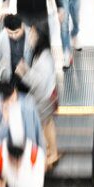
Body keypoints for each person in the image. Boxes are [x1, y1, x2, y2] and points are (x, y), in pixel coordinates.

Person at [15, 24, 61, 167]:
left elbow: (37, 82)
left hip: (44, 97)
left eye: (33, 35)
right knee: (46, 124)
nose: (30, 37)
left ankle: (53, 153)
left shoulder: (44, 58)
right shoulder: (41, 54)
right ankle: (50, 150)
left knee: (46, 124)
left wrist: (23, 71)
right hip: (45, 95)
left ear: (39, 38)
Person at [0, 79, 43, 149]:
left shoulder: (28, 103)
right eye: (7, 102)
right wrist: (5, 121)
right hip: (8, 152)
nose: (11, 104)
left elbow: (38, 130)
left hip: (29, 150)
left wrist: (42, 154)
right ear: (1, 102)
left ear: (15, 92)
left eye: (12, 99)